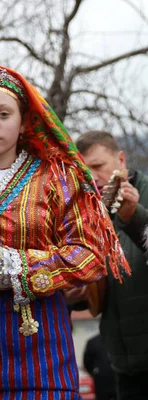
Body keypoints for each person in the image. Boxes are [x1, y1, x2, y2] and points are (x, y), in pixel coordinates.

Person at [0, 64, 129, 399]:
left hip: (43, 356)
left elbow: (91, 256)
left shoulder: (58, 178)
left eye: (3, 113)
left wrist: (6, 262)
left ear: (23, 121)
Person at [76, 130, 148, 400]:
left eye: (98, 166)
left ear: (121, 159)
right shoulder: (90, 216)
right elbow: (97, 291)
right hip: (121, 365)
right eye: (85, 172)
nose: (92, 178)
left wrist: (133, 216)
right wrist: (76, 297)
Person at [83, 334, 116, 400]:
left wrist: (95, 373)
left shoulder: (92, 341)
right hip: (118, 379)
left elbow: (87, 362)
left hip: (100, 380)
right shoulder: (119, 339)